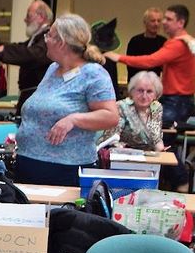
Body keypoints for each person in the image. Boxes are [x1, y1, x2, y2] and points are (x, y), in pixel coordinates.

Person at [15, 14, 118, 187]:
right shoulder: (52, 69)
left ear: (61, 42)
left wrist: (74, 119)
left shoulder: (93, 73)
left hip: (64, 170)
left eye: (49, 35)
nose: (45, 40)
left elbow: (111, 116)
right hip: (28, 163)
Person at [106, 5, 195, 129]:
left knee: (152, 132)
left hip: (176, 100)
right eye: (163, 19)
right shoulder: (182, 41)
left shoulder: (178, 44)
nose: (163, 22)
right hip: (174, 99)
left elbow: (150, 61)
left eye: (168, 19)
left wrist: (118, 57)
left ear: (181, 23)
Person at [0, 0, 53, 111]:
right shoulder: (38, 37)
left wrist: (4, 49)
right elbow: (22, 48)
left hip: (38, 97)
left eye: (29, 16)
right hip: (31, 95)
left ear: (41, 17)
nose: (25, 20)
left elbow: (32, 54)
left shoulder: (48, 36)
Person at [108, 71, 164, 151]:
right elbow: (113, 139)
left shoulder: (156, 107)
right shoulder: (121, 107)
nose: (144, 96)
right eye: (140, 91)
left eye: (149, 91)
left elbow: (157, 139)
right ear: (132, 91)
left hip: (150, 155)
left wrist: (161, 151)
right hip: (124, 153)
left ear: (156, 94)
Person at [124, 7, 166, 81]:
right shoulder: (135, 41)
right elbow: (131, 66)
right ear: (145, 22)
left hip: (156, 83)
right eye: (153, 21)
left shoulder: (163, 42)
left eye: (159, 21)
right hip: (137, 83)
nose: (156, 24)